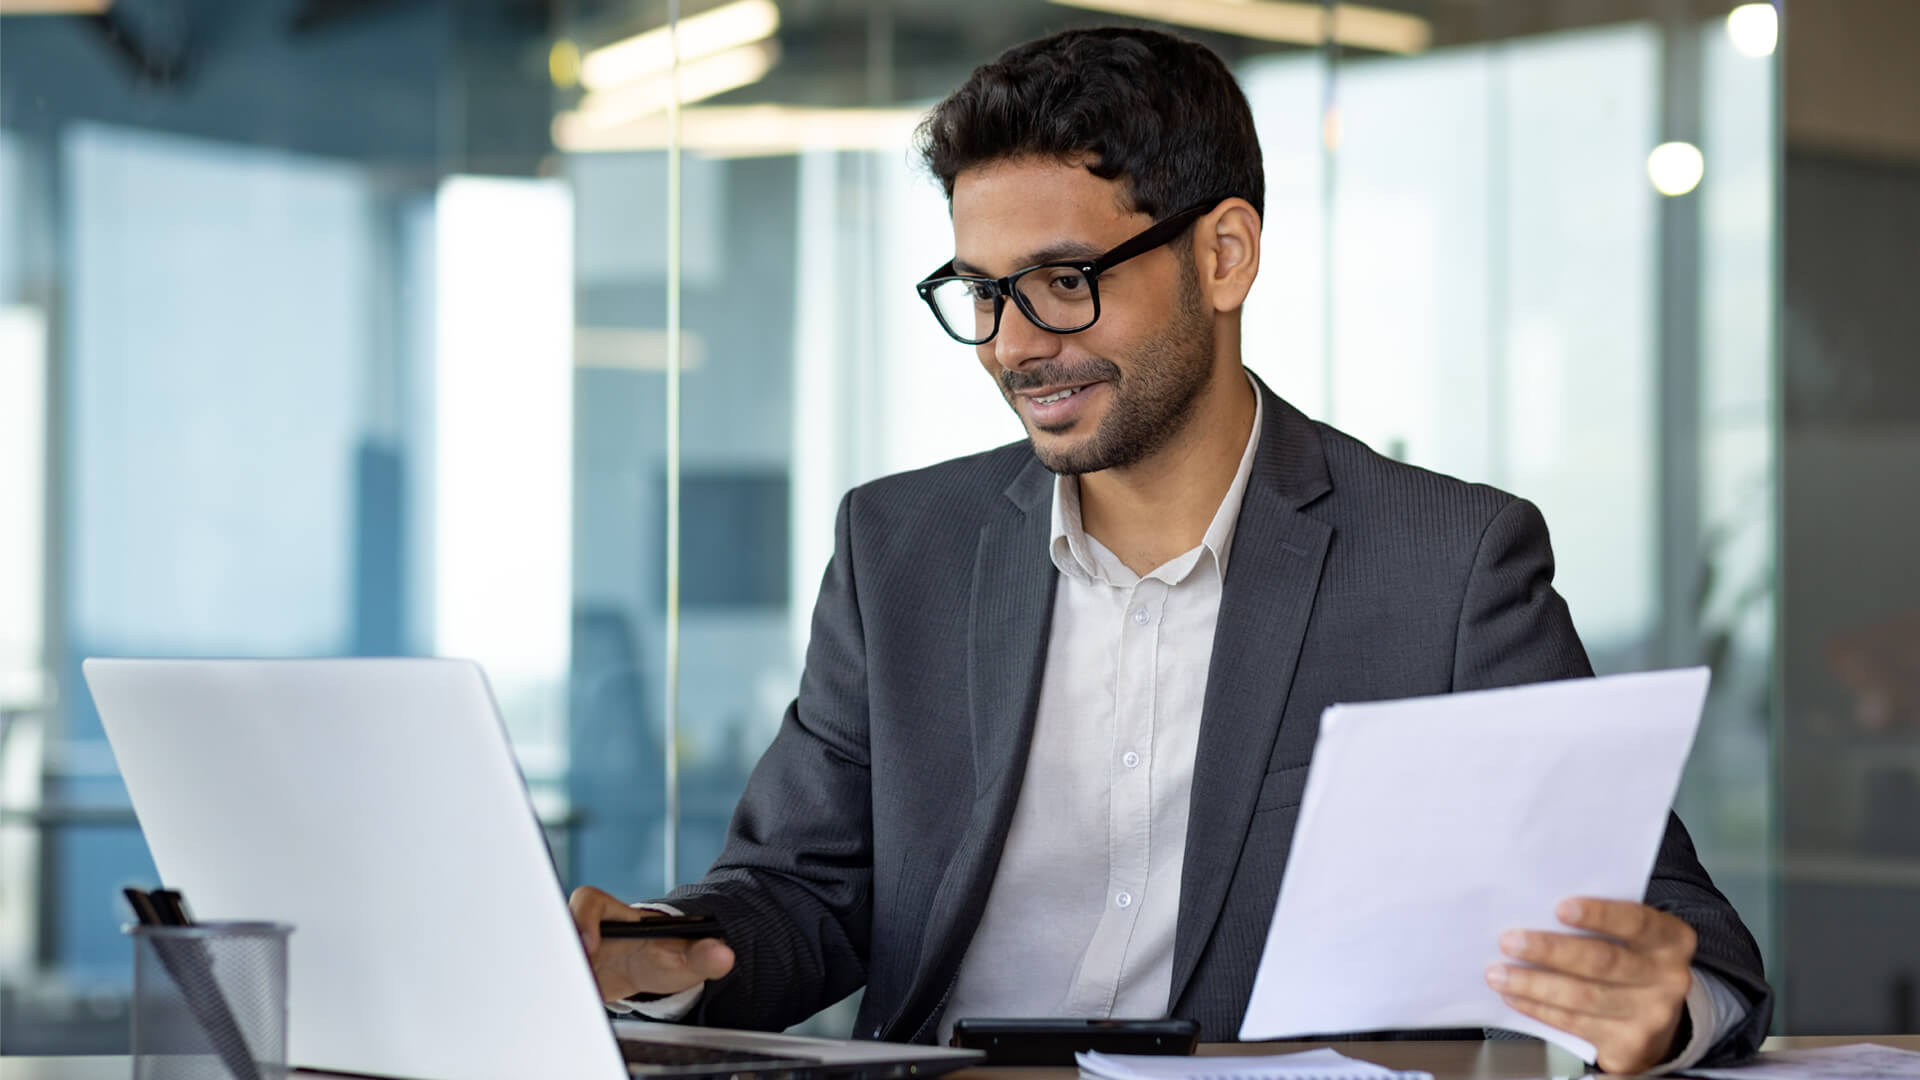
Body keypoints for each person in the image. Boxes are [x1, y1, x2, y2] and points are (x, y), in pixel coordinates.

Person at [568, 26, 1772, 1074]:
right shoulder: (900, 548)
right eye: (981, 292)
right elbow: (801, 892)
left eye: (1062, 281)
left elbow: (1680, 932)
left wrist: (1658, 1008)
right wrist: (662, 951)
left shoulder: (1447, 562)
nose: (1013, 346)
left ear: (1224, 255)